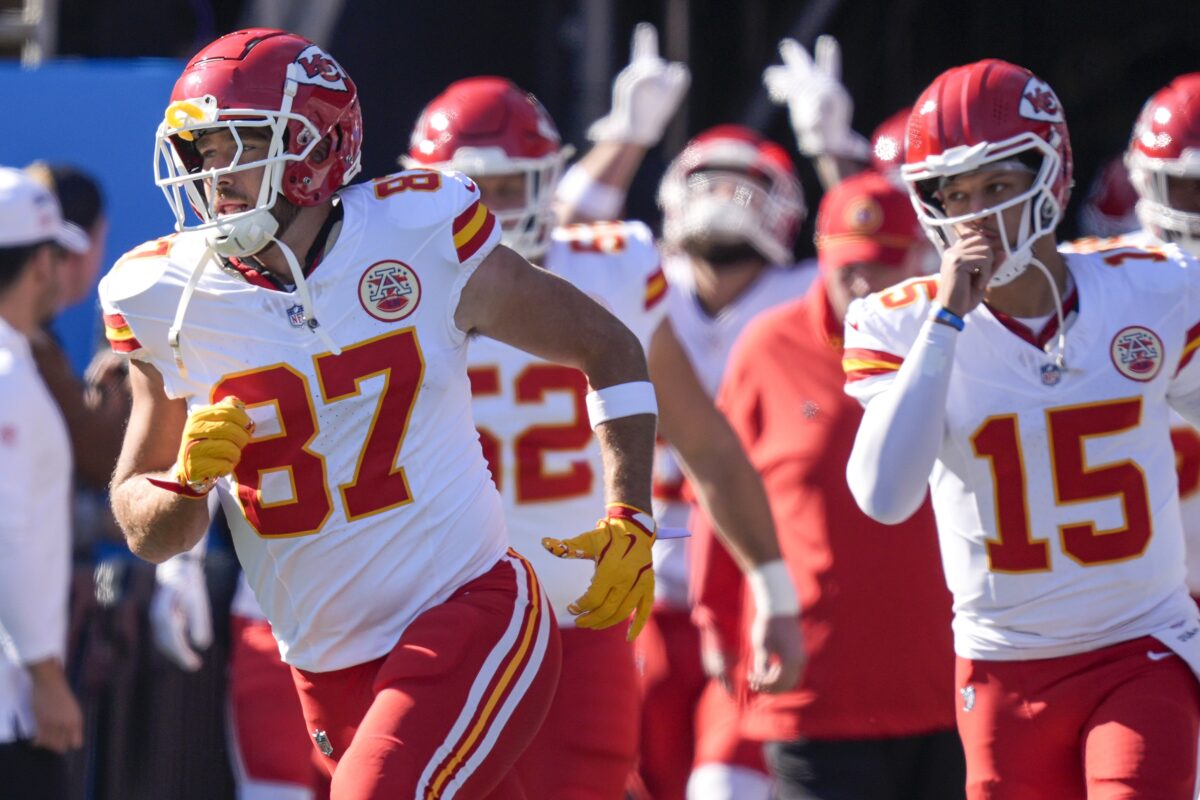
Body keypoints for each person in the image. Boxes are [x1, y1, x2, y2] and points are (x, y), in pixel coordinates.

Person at [98, 28, 659, 799]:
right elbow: (143, 528)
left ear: (313, 147)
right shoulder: (162, 299)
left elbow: (609, 346)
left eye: (239, 143)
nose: (212, 171)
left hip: (471, 611)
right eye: (200, 148)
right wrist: (181, 484)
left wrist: (632, 510)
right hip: (328, 665)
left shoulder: (415, 233)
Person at [403, 75, 803, 800]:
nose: (483, 211)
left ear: (547, 183)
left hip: (576, 616)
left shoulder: (611, 265)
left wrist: (772, 586)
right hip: (434, 615)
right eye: (465, 189)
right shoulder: (385, 288)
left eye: (506, 188)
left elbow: (705, 443)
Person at [844, 59, 1200, 799]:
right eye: (957, 195)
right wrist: (945, 327)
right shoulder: (898, 322)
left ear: (1054, 177)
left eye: (999, 187)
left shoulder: (1152, 290)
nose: (977, 218)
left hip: (1141, 645)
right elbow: (882, 496)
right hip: (1002, 665)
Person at [709, 170, 964, 799]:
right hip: (818, 683)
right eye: (846, 264)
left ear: (918, 259)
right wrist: (716, 624)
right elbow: (718, 487)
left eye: (880, 264)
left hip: (950, 675)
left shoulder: (964, 341)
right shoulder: (768, 346)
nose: (862, 281)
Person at [0, 166, 89, 799]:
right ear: (39, 265)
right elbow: (7, 529)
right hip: (12, 707)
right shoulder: (7, 375)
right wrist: (46, 672)